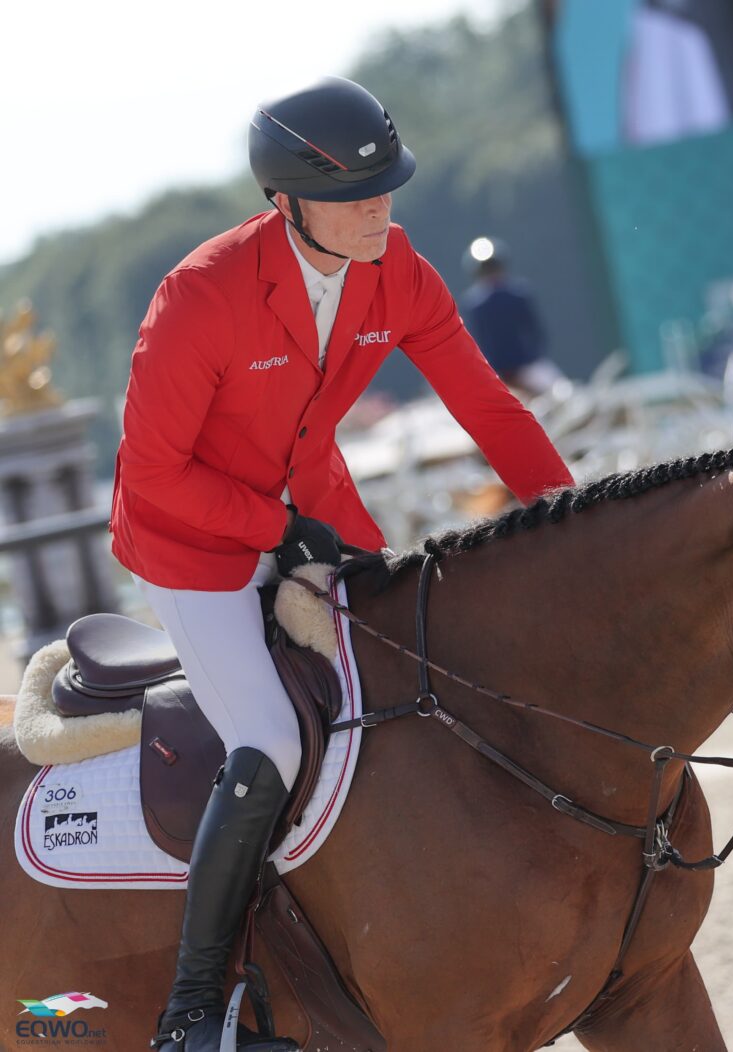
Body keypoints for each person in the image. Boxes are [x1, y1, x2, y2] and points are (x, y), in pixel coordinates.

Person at [110, 76, 574, 1051]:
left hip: (314, 512)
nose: (380, 205)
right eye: (356, 194)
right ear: (284, 203)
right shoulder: (199, 294)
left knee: (425, 678)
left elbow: (488, 408)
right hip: (192, 545)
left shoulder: (396, 267)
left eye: (388, 186)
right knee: (272, 739)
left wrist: (566, 520)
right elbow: (152, 476)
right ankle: (193, 1010)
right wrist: (274, 534)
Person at [460, 236, 567, 396]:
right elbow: (536, 332)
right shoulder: (519, 294)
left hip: (497, 373)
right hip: (525, 368)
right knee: (561, 394)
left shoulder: (473, 304)